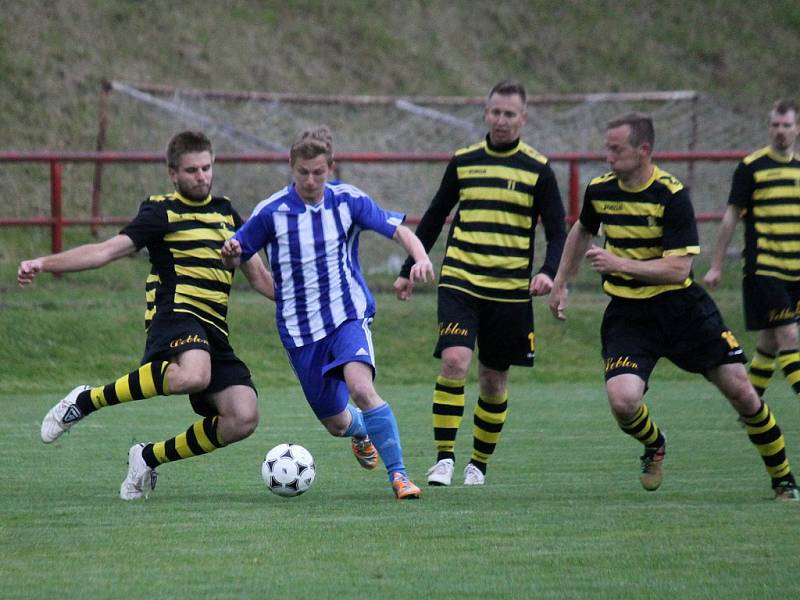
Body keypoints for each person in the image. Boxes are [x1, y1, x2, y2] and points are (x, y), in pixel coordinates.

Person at [548, 113, 799, 501]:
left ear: (643, 150)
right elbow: (583, 229)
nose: (608, 157)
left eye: (617, 150)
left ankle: (783, 478)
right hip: (628, 314)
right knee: (623, 401)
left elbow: (678, 268)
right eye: (607, 149)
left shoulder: (671, 194)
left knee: (743, 392)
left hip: (682, 310)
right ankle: (655, 443)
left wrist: (619, 264)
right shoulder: (601, 191)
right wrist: (562, 282)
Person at [18, 130, 274, 500]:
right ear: (173, 173)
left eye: (206, 168)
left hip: (214, 328)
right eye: (192, 170)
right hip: (175, 312)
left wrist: (314, 297)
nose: (201, 176)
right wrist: (43, 262)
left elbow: (263, 281)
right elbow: (105, 251)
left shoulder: (227, 213)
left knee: (243, 416)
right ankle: (85, 400)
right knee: (194, 375)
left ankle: (147, 457)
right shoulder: (160, 210)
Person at [221, 126, 435, 500]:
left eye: (318, 172)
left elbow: (399, 230)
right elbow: (243, 253)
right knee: (337, 423)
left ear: (330, 168)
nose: (310, 179)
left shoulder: (348, 201)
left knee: (361, 388)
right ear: (291, 167)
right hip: (301, 334)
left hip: (346, 316)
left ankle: (400, 476)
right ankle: (360, 432)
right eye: (303, 172)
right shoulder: (271, 212)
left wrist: (420, 257)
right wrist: (231, 253)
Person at [393, 80, 566, 487]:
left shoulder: (538, 169)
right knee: (454, 361)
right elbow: (435, 216)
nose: (501, 120)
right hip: (461, 281)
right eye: (495, 112)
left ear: (522, 119)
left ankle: (478, 465)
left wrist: (547, 271)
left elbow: (558, 231)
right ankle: (444, 459)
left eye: (509, 114)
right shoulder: (465, 160)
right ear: (485, 114)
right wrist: (406, 269)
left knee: (493, 379)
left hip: (509, 292)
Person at [703, 100, 800, 401]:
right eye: (775, 125)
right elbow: (731, 216)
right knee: (789, 336)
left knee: (770, 341)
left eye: (786, 125)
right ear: (768, 128)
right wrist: (716, 265)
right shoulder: (751, 167)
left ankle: (750, 407)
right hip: (764, 269)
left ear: (796, 129)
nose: (780, 131)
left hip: (795, 271)